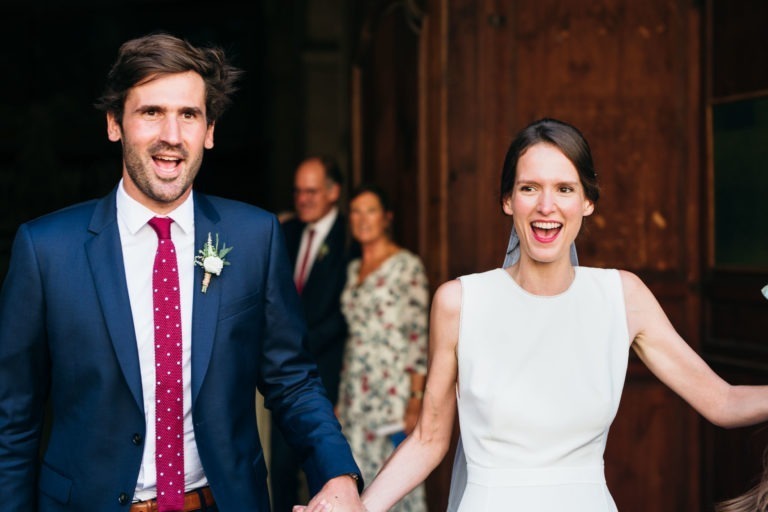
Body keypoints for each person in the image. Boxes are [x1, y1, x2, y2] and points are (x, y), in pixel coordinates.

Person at [321, 117, 768, 512]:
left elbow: (722, 402)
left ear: (588, 202)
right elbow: (429, 439)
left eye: (565, 188)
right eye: (529, 188)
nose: (546, 206)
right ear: (507, 201)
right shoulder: (459, 301)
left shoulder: (622, 296)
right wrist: (361, 507)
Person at [0, 33, 364, 512]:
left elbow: (292, 380)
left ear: (209, 131)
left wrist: (337, 474)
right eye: (151, 112)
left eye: (188, 115)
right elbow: (13, 419)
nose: (171, 134)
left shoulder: (255, 236)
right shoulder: (45, 250)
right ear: (115, 124)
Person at [335, 184, 429, 512]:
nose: (362, 219)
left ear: (386, 218)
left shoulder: (406, 266)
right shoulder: (351, 269)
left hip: (393, 396)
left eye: (370, 210)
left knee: (396, 489)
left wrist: (416, 401)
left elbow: (419, 337)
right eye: (356, 212)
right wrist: (340, 399)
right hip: (356, 398)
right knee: (358, 487)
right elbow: (353, 337)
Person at [270, 156, 356, 511]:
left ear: (334, 192)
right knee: (281, 470)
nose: (302, 199)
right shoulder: (284, 233)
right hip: (283, 375)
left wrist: (295, 345)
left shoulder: (352, 237)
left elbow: (345, 315)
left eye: (312, 191)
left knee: (327, 474)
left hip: (329, 372)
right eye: (298, 191)